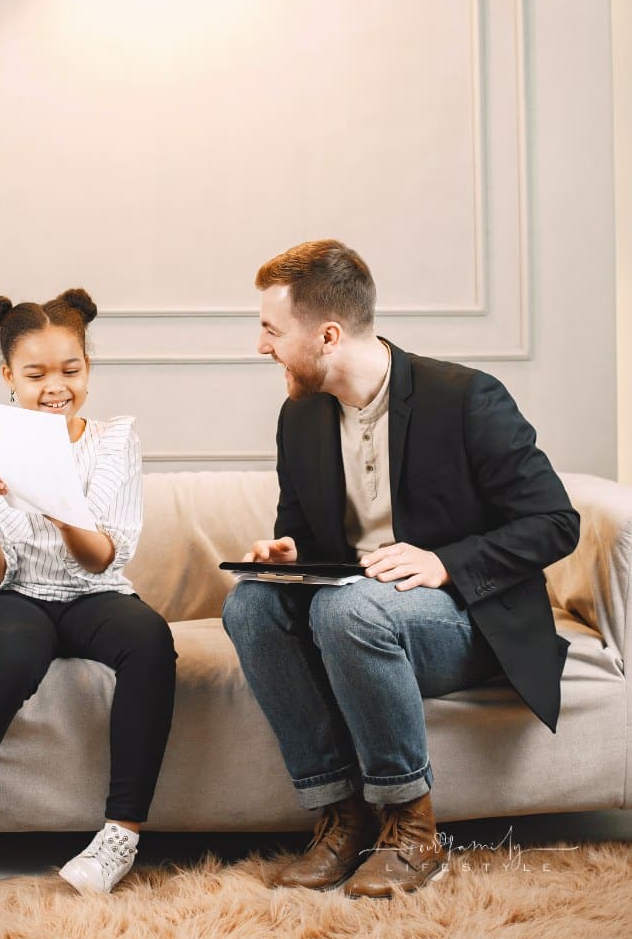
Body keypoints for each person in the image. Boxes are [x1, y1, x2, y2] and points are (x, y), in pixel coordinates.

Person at [222, 240, 579, 899]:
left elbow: (556, 522)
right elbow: (301, 527)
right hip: (357, 609)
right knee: (248, 604)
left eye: (272, 330)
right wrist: (289, 553)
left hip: (466, 622)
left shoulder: (466, 398)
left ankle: (414, 831)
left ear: (327, 335)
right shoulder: (298, 416)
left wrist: (445, 562)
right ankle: (341, 818)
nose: (261, 346)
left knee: (345, 608)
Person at [0, 288, 177, 901]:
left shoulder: (112, 443)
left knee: (150, 640)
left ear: (88, 370)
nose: (57, 386)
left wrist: (58, 503)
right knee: (16, 656)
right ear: (8, 377)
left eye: (71, 370)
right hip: (11, 597)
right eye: (36, 374)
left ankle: (118, 837)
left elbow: (102, 556)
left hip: (91, 590)